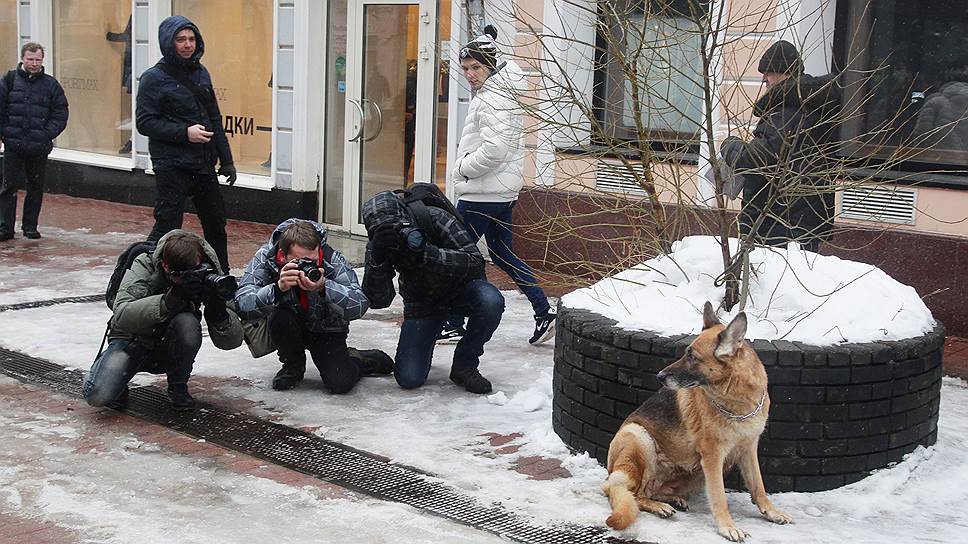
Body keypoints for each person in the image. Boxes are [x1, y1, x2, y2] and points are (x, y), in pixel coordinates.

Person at [443, 25, 556, 346]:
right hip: (497, 192)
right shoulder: (500, 92)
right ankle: (543, 312)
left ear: (491, 65)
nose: (470, 74)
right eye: (466, 68)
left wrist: (463, 169)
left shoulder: (494, 98)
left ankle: (453, 321)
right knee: (503, 254)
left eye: (476, 67)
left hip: (482, 193)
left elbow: (495, 149)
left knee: (455, 256)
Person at [362, 188, 504, 394]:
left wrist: (425, 253)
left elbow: (474, 262)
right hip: (423, 302)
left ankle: (465, 365)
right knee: (409, 378)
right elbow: (378, 301)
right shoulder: (378, 243)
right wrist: (377, 258)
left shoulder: (434, 218)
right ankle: (426, 337)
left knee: (490, 300)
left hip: (461, 290)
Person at [83, 230, 244, 410]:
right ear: (165, 266)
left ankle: (178, 385)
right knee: (97, 395)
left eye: (196, 269)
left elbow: (231, 342)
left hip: (170, 343)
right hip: (133, 341)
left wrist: (218, 312)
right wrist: (168, 300)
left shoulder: (210, 271)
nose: (193, 274)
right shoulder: (145, 263)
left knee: (188, 323)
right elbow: (121, 315)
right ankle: (111, 370)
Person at [235, 219, 393, 393]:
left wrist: (325, 287)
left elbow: (360, 306)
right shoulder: (266, 257)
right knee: (281, 318)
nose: (307, 266)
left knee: (339, 384)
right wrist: (277, 289)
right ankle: (292, 366)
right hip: (288, 323)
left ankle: (356, 358)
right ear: (283, 254)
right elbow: (243, 305)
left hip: (326, 328)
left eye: (312, 260)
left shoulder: (331, 258)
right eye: (299, 261)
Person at [137, 15, 236, 271]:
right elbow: (145, 122)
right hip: (172, 164)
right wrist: (184, 132)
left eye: (191, 39)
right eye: (180, 39)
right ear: (169, 43)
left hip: (203, 163)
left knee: (216, 224)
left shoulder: (201, 73)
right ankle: (146, 273)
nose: (187, 44)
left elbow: (214, 118)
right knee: (168, 226)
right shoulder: (153, 78)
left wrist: (227, 161)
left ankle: (221, 276)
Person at [721, 40, 840, 253]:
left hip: (778, 221)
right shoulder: (813, 107)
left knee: (772, 282)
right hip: (805, 218)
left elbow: (756, 160)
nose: (764, 78)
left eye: (768, 72)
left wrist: (730, 145)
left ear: (782, 72)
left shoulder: (787, 111)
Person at [0, 42, 69, 241]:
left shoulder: (50, 85)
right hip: (13, 144)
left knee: (36, 187)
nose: (34, 63)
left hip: (38, 146)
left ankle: (30, 226)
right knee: (8, 187)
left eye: (38, 60)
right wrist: (4, 132)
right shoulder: (9, 80)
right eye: (30, 59)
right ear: (23, 58)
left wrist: (46, 133)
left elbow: (60, 112)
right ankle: (5, 228)